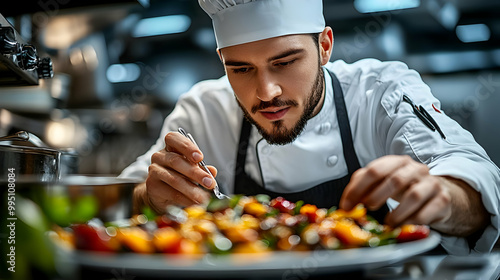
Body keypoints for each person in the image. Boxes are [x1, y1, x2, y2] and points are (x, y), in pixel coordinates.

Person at [119, 0, 500, 254]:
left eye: (285, 62)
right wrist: (148, 198)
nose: (266, 92)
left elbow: (473, 175)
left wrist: (444, 198)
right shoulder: (204, 111)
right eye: (241, 69)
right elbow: (124, 198)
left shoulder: (381, 92)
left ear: (324, 46)